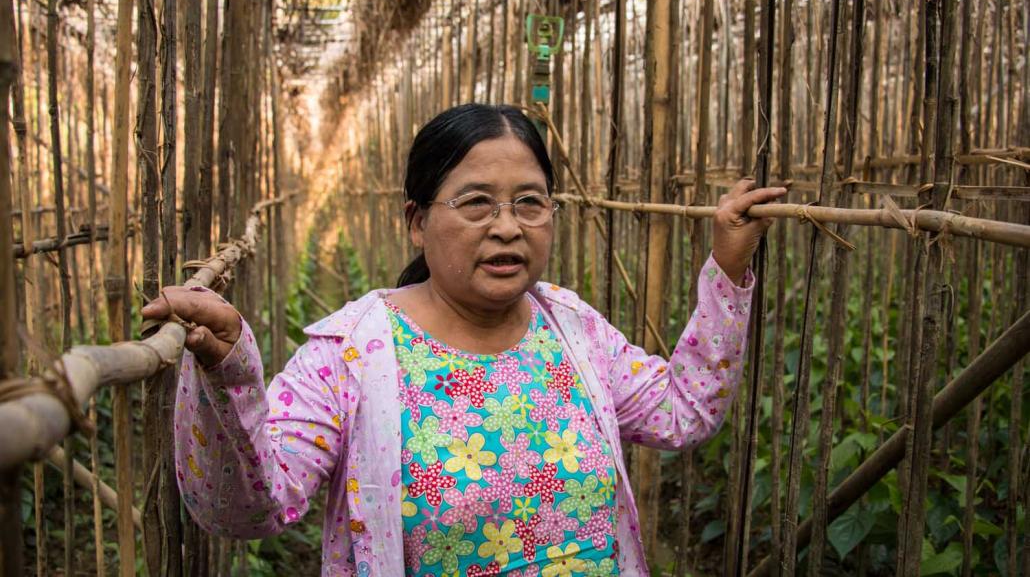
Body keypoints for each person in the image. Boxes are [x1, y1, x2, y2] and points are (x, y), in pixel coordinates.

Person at [146, 104, 786, 576]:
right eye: (477, 203)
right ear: (418, 223)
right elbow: (248, 510)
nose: (508, 227)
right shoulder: (353, 352)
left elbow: (684, 411)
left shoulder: (572, 328)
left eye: (530, 203)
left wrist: (727, 268)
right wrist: (230, 372)